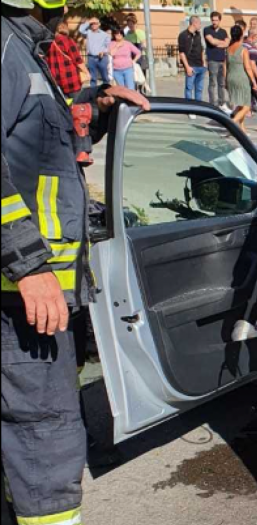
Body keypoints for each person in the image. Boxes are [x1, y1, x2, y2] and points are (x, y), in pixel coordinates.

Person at [2, 1, 149, 524]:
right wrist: (28, 264)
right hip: (22, 294)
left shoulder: (26, 46)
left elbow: (40, 145)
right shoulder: (7, 46)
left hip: (33, 291)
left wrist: (96, 106)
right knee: (44, 437)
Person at [226, 25, 257, 131]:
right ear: (241, 35)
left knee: (240, 103)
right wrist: (254, 82)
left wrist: (225, 81)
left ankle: (242, 128)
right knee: (246, 106)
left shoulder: (228, 49)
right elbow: (248, 68)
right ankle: (231, 123)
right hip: (241, 78)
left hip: (231, 77)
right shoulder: (243, 50)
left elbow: (226, 66)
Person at [48, 21, 89, 98]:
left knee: (65, 104)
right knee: (77, 102)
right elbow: (77, 60)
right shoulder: (68, 40)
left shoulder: (50, 43)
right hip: (71, 80)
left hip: (57, 81)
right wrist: (86, 72)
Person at [204, 11, 230, 112]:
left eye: (216, 20)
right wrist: (221, 42)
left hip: (222, 60)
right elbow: (212, 41)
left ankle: (222, 103)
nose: (214, 22)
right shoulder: (207, 30)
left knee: (221, 83)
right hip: (212, 60)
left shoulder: (223, 32)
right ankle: (212, 104)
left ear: (220, 20)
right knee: (212, 83)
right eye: (213, 20)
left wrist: (218, 43)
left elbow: (227, 44)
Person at [179, 15, 207, 103]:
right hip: (191, 66)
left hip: (200, 66)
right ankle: (189, 107)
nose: (200, 25)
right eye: (199, 23)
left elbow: (201, 49)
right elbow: (182, 53)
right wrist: (187, 67)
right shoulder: (183, 35)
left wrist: (204, 63)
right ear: (194, 23)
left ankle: (198, 106)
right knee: (189, 88)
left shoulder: (198, 34)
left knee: (199, 89)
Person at [78, 16, 110, 86]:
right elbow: (80, 30)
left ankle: (106, 90)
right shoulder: (88, 32)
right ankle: (93, 91)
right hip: (91, 58)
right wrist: (89, 21)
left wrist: (103, 52)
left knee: (105, 77)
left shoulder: (105, 35)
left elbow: (108, 47)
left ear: (99, 24)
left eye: (95, 23)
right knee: (93, 78)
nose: (94, 25)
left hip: (102, 58)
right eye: (92, 24)